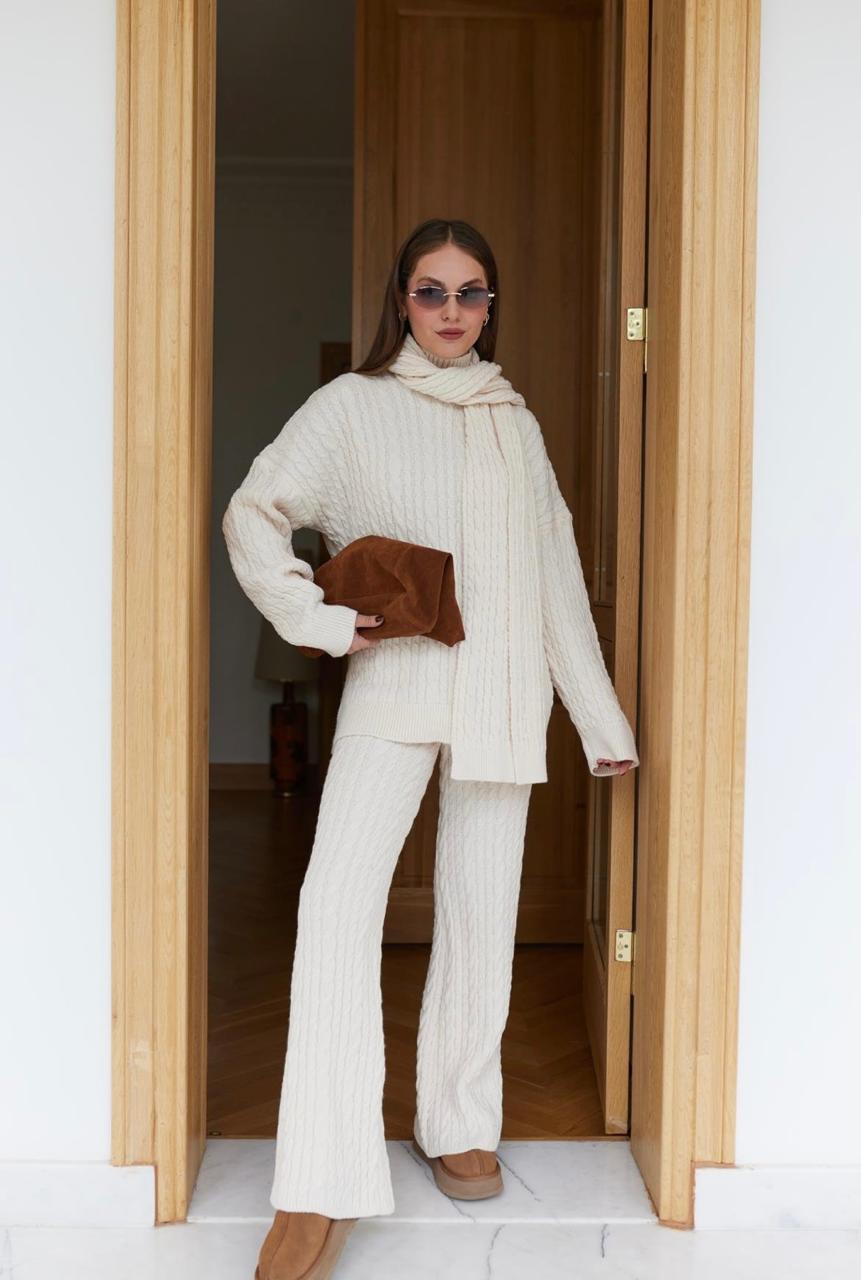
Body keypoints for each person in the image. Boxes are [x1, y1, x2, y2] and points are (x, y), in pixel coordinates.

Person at [222, 217, 639, 1280]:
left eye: (470, 292)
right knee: (334, 909)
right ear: (400, 301)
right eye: (430, 291)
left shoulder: (513, 421)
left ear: (491, 305)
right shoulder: (350, 407)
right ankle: (319, 1181)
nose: (451, 311)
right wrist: (321, 620)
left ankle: (456, 1117)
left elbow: (553, 578)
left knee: (480, 913)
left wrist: (599, 720)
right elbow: (254, 513)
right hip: (393, 689)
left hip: (503, 695)